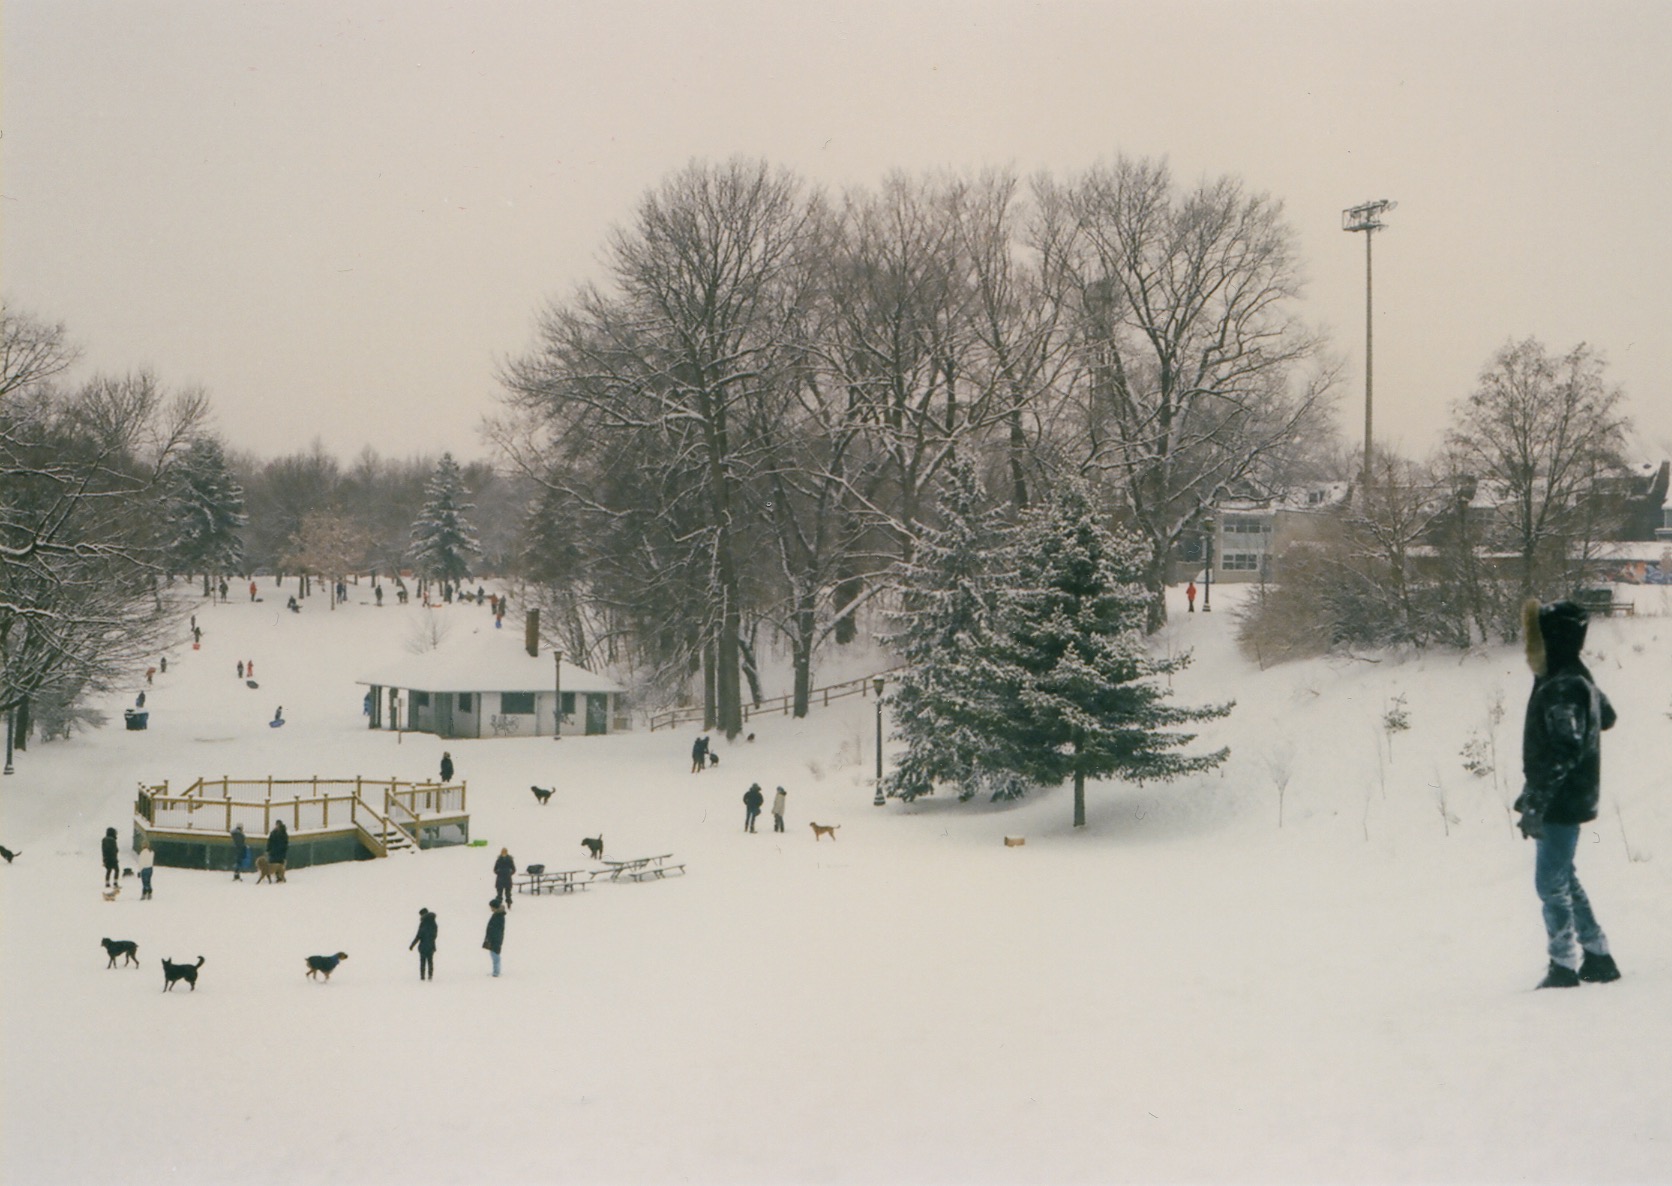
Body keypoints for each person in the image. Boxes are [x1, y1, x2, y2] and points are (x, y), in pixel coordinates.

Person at [1515, 598, 1622, 989]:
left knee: (1550, 882)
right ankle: (1597, 955)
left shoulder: (1562, 684)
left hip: (1562, 800)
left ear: (1550, 641)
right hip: (1567, 797)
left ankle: (1563, 966)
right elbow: (1606, 716)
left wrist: (1538, 801)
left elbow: (1564, 749)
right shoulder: (1570, 677)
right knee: (1563, 876)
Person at [410, 907, 439, 981]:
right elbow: (435, 935)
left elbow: (418, 936)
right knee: (430, 961)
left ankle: (422, 977)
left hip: (423, 946)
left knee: (422, 962)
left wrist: (412, 945)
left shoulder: (423, 923)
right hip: (431, 945)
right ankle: (430, 976)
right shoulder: (434, 922)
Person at [483, 898, 507, 977]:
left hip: (495, 938)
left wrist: (491, 938)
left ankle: (496, 972)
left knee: (495, 954)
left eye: (491, 907)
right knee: (494, 954)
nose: (491, 909)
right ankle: (496, 971)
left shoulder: (498, 916)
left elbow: (496, 929)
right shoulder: (497, 914)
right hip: (494, 937)